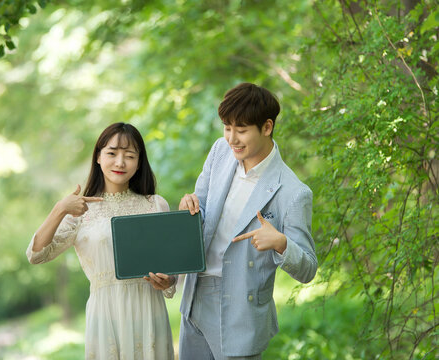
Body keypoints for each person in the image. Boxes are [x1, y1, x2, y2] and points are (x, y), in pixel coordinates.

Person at [178, 83, 318, 359]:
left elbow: (308, 268)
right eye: (227, 128)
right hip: (195, 296)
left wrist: (281, 243)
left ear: (267, 127)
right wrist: (190, 204)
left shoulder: (293, 192)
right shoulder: (220, 152)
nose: (232, 138)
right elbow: (202, 209)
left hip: (240, 310)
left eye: (241, 130)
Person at [26, 122, 176, 359]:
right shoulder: (79, 210)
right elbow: (36, 255)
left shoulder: (155, 204)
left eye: (129, 156)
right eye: (112, 153)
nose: (120, 162)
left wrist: (168, 281)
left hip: (149, 311)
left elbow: (171, 268)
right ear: (98, 156)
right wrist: (60, 209)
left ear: (139, 162)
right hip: (105, 315)